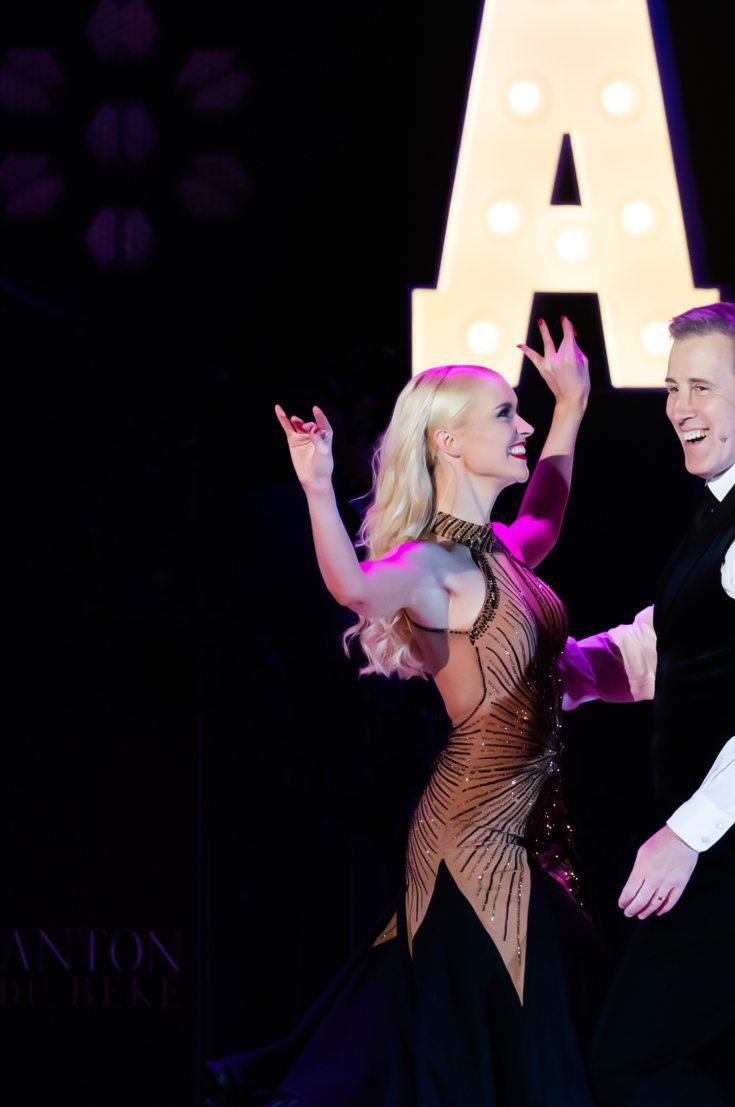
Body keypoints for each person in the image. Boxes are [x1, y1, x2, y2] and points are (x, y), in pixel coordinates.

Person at [206, 319, 600, 1106]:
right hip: (475, 831)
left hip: (527, 824)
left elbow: (548, 515)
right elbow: (354, 588)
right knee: (491, 1054)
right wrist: (318, 484)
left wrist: (572, 406)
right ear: (449, 443)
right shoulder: (431, 561)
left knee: (514, 1047)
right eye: (504, 415)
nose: (521, 426)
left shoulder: (499, 550)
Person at [559, 302, 735, 1106]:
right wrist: (574, 671)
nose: (678, 408)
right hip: (730, 835)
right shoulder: (728, 508)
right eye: (671, 387)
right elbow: (676, 644)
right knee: (679, 1061)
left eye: (700, 387)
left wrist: (684, 833)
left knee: (634, 1060)